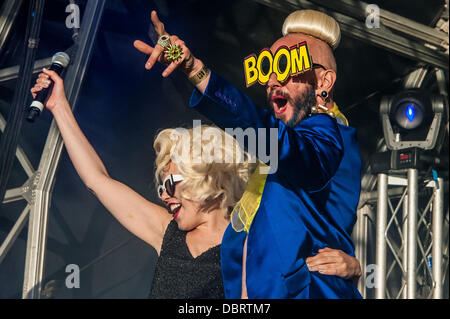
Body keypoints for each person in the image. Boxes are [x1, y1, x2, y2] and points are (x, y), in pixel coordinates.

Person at [30, 66, 360, 298]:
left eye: (171, 182)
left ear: (208, 179)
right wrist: (59, 107)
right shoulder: (167, 235)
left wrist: (352, 268)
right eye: (161, 187)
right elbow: (97, 180)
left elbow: (311, 252)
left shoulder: (255, 242)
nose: (164, 195)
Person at [134, 9, 363, 298]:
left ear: (324, 83)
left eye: (286, 67)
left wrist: (196, 72)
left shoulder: (331, 136)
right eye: (267, 70)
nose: (272, 81)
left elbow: (273, 139)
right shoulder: (268, 169)